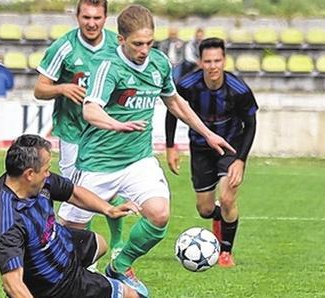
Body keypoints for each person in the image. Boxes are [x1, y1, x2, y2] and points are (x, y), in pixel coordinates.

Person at [58, 5, 235, 297]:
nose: (144, 50)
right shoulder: (108, 66)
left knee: (159, 214)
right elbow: (90, 111)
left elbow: (175, 102)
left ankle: (121, 265)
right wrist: (117, 125)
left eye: (149, 43)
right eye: (138, 44)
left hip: (137, 161)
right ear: (121, 40)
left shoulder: (159, 63)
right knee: (66, 236)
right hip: (97, 164)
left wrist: (207, 133)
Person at [0, 134, 141, 298]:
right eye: (45, 169)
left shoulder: (34, 181)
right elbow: (12, 283)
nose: (48, 174)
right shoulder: (6, 222)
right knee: (130, 295)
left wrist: (109, 210)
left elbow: (72, 192)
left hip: (64, 243)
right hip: (55, 284)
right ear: (29, 174)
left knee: (100, 244)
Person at [34, 0, 125, 257]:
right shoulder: (63, 47)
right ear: (77, 17)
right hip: (73, 133)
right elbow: (39, 89)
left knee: (110, 187)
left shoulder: (117, 46)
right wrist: (61, 88)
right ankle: (74, 250)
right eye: (86, 17)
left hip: (105, 133)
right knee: (75, 195)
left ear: (106, 18)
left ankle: (115, 245)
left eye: (97, 17)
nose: (91, 23)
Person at [165, 38, 258, 268]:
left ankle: (226, 251)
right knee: (205, 209)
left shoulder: (239, 90)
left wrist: (240, 160)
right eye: (208, 61)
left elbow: (251, 124)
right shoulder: (187, 85)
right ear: (200, 62)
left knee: (227, 198)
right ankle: (219, 218)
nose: (213, 66)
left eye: (217, 60)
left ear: (224, 60)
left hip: (230, 148)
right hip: (200, 148)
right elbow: (172, 111)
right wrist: (170, 146)